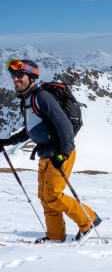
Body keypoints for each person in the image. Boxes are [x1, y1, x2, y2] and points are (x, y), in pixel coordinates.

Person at [0, 59, 101, 243]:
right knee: (44, 197)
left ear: (31, 77)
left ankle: (89, 221)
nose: (15, 79)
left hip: (60, 153)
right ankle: (55, 236)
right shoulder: (27, 101)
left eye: (19, 76)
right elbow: (30, 129)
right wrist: (9, 141)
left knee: (53, 195)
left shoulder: (42, 97)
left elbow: (64, 126)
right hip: (45, 155)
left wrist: (64, 153)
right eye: (13, 76)